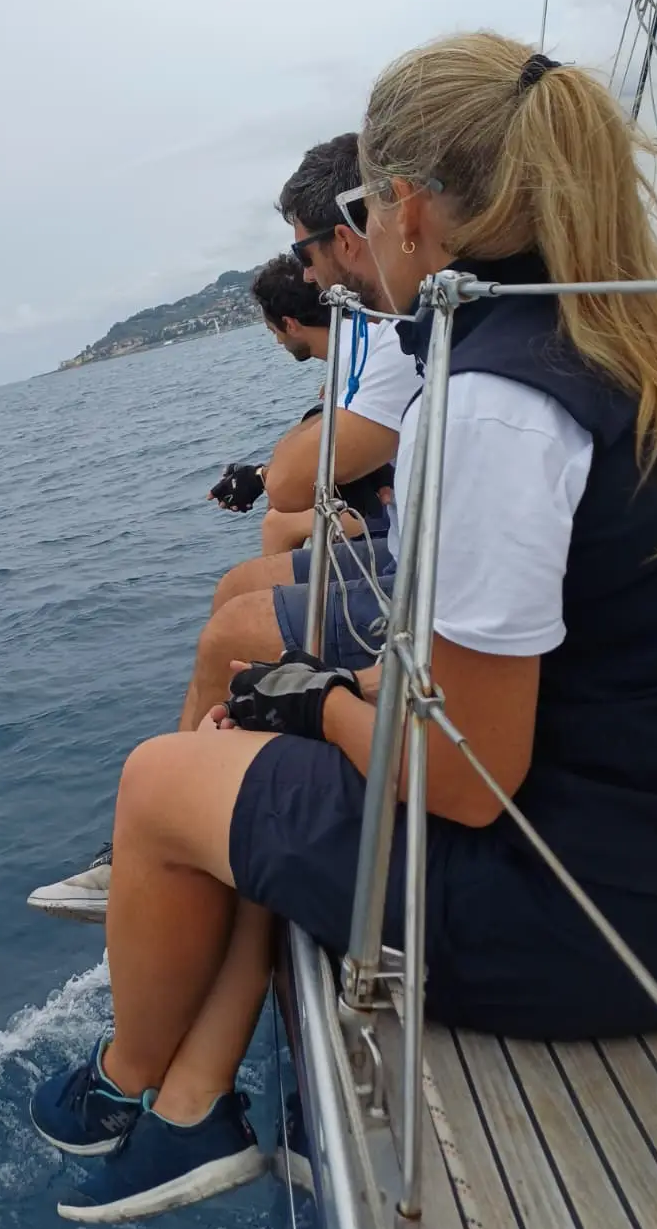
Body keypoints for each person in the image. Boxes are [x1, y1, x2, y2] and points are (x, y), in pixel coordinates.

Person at [30, 31, 657, 1226]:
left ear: (410, 208)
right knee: (254, 735)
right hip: (625, 836)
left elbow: (468, 782)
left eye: (365, 207)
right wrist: (326, 698)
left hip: (584, 914)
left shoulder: (491, 408)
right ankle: (190, 1111)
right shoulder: (610, 340)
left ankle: (120, 1086)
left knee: (160, 781)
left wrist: (319, 703)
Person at [26, 136, 420, 918]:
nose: (309, 276)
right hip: (401, 542)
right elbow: (311, 457)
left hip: (403, 561)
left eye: (305, 253)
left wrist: (278, 474)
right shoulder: (395, 333)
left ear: (352, 233)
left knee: (229, 630)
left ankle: (168, 825)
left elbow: (300, 476)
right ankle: (209, 795)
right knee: (241, 587)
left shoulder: (392, 333)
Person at [207, 253, 395, 556]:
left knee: (275, 524)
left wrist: (259, 477)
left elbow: (294, 479)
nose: (278, 342)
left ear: (290, 325)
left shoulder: (355, 360)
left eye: (274, 332)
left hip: (395, 510)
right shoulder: (359, 340)